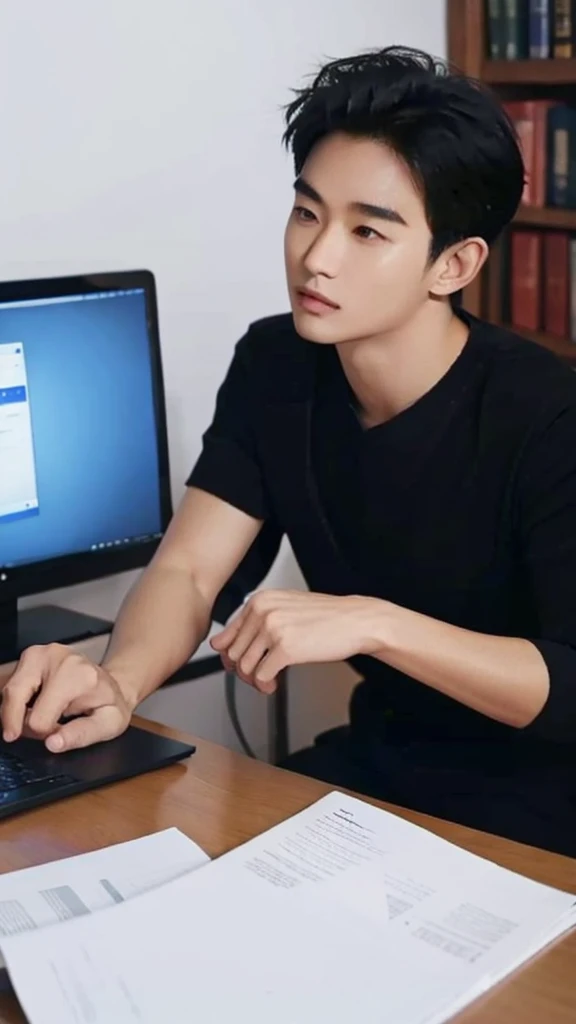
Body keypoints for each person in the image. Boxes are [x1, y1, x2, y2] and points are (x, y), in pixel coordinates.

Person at [3, 46, 576, 857]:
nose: (317, 256)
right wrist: (117, 682)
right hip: (378, 774)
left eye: (367, 230)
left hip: (543, 808)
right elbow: (190, 570)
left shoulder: (546, 415)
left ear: (453, 263)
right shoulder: (276, 363)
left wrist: (375, 625)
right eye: (308, 212)